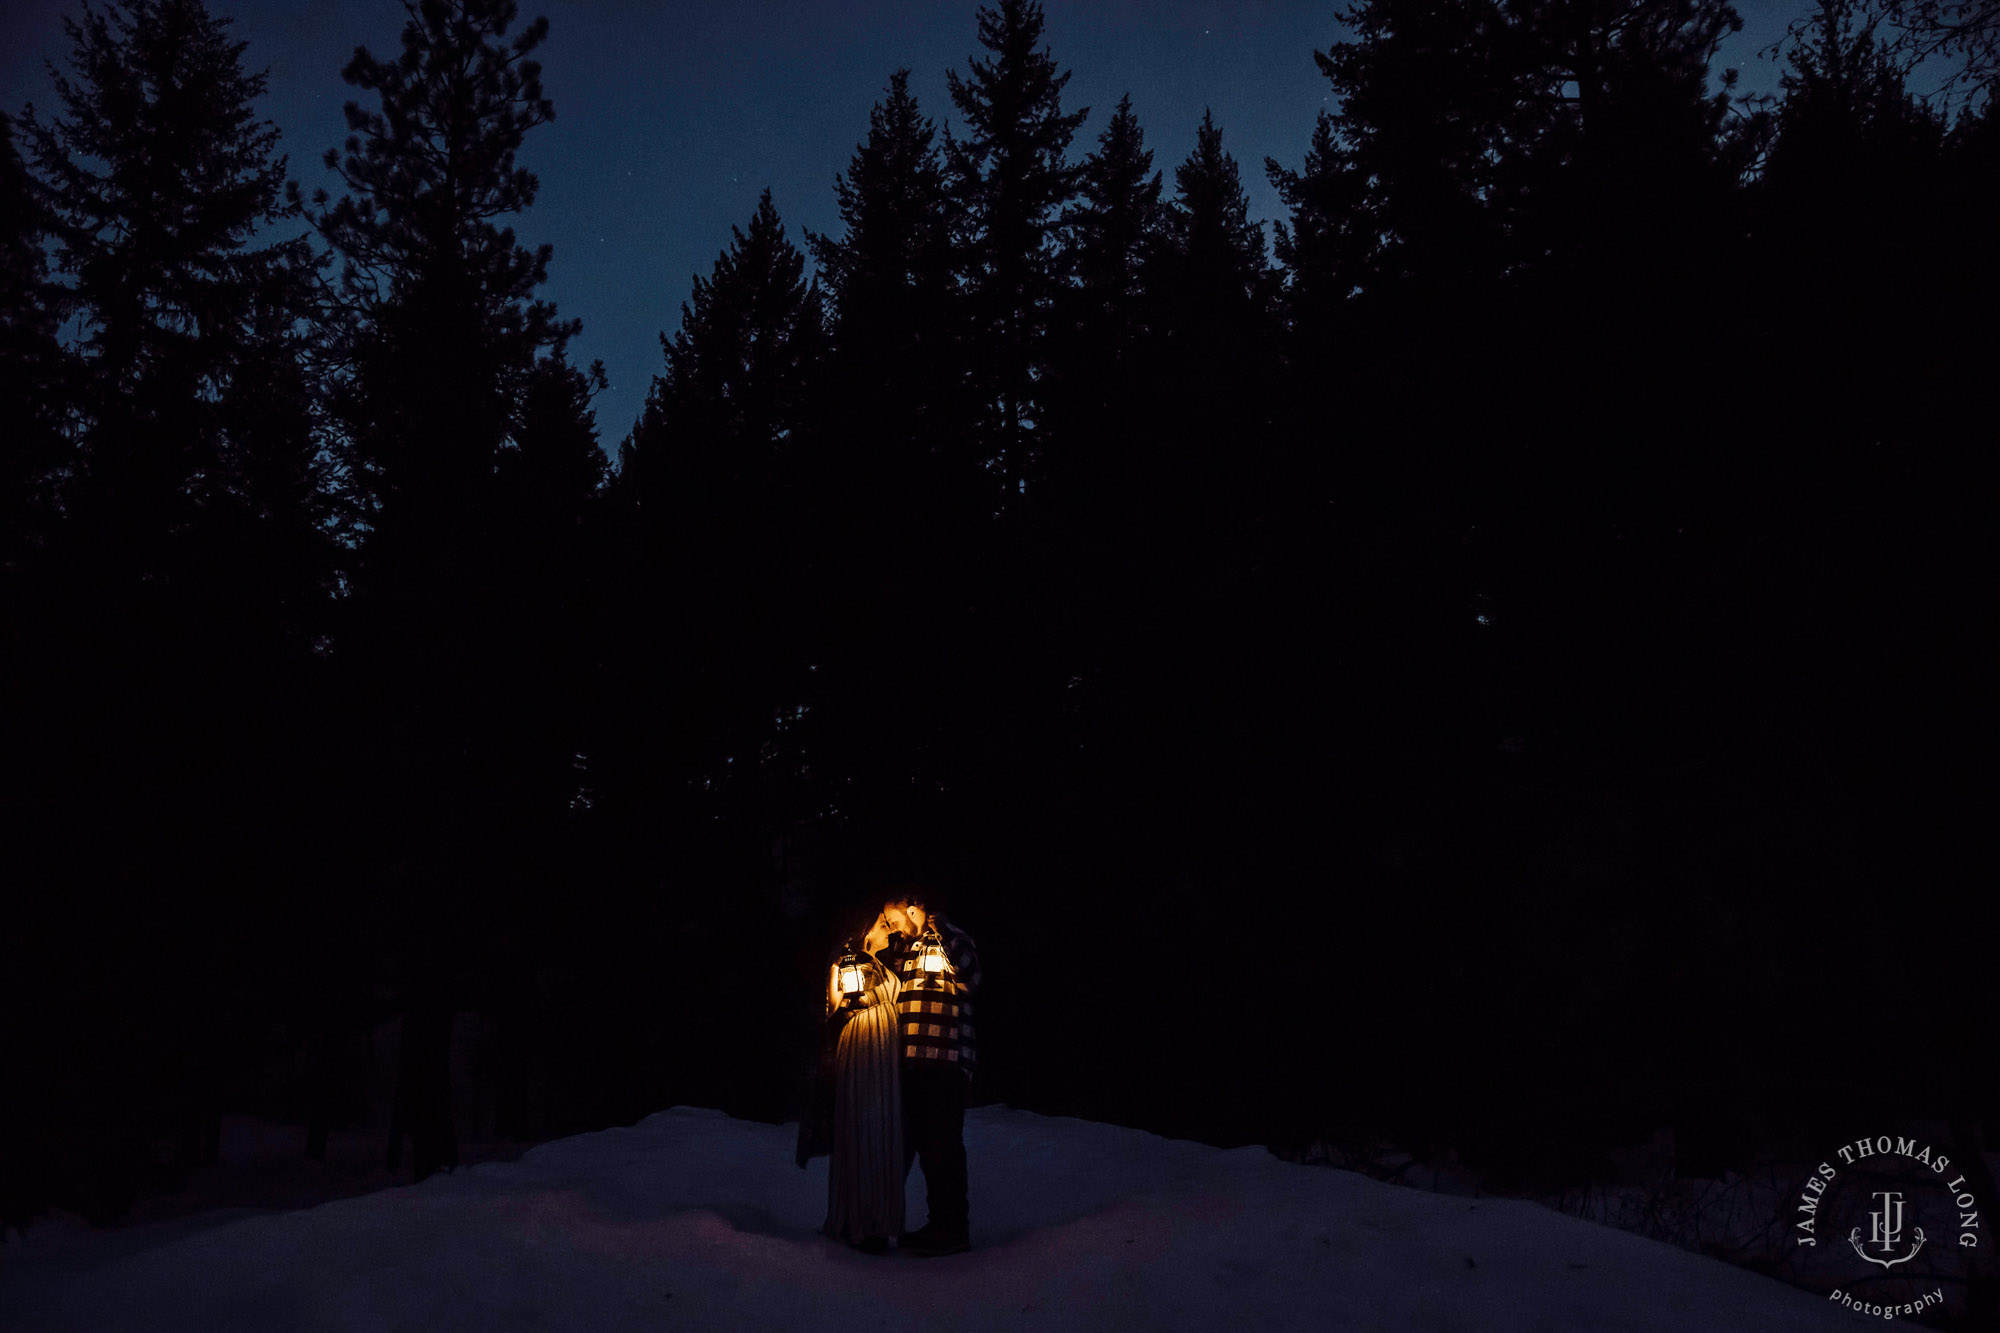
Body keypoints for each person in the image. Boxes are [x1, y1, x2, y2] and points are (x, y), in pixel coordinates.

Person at [880, 893, 981, 1257]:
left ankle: (953, 1229)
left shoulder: (951, 937)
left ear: (911, 910)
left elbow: (972, 976)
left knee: (942, 1146)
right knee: (922, 1147)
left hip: (945, 1059)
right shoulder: (908, 949)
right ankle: (932, 1223)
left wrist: (937, 928)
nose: (893, 928)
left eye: (894, 920)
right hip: (912, 1064)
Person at [807, 908, 906, 1252]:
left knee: (883, 1132)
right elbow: (831, 1006)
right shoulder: (848, 957)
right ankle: (857, 1220)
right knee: (863, 1130)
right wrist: (841, 982)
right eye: (882, 924)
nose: (889, 929)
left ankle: (880, 1221)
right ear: (865, 928)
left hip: (885, 1052)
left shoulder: (883, 964)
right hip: (864, 1042)